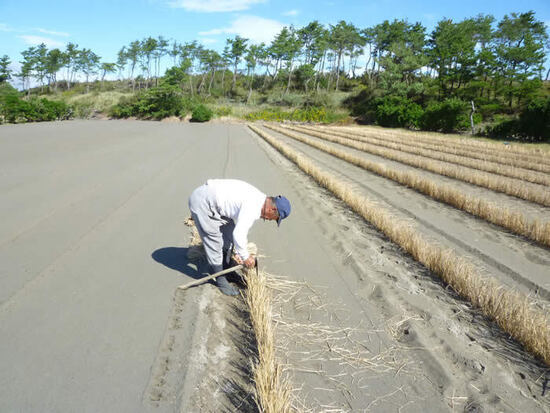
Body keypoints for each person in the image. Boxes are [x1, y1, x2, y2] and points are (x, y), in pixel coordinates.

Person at [188, 179, 291, 296]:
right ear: (272, 209)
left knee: (229, 233)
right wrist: (245, 257)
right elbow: (239, 233)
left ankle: (227, 269)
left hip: (213, 203)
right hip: (203, 203)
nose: (270, 220)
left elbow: (236, 233)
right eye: (274, 218)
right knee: (214, 242)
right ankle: (220, 279)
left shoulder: (259, 199)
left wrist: (240, 252)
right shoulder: (253, 207)